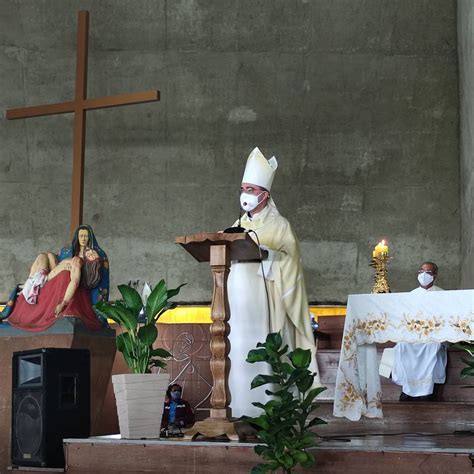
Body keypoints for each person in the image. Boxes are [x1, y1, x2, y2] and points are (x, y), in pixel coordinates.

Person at [227, 147, 320, 418]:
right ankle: (239, 409)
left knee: (262, 351)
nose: (245, 193)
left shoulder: (281, 226)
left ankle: (266, 415)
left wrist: (268, 256)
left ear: (264, 195)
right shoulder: (237, 225)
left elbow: (290, 261)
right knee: (239, 349)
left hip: (265, 297)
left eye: (251, 188)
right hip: (237, 298)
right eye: (243, 187)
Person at [1, 224, 109, 332]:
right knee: (48, 256)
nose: (90, 252)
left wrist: (63, 303)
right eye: (81, 236)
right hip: (51, 274)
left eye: (92, 254)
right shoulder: (70, 253)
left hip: (47, 279)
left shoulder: (78, 262)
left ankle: (29, 287)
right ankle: (29, 286)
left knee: (43, 258)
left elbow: (75, 282)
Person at [392, 262, 446, 401]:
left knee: (432, 347)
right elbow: (405, 318)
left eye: (428, 272)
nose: (423, 275)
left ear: (435, 275)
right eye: (421, 271)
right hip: (414, 335)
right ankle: (407, 388)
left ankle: (427, 391)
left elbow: (446, 317)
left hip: (434, 335)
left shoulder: (443, 295)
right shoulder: (411, 295)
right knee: (402, 346)